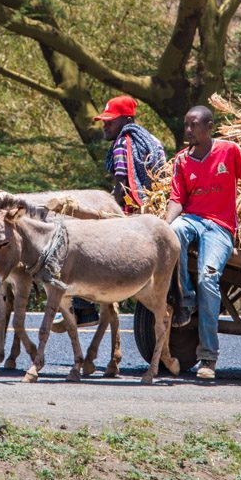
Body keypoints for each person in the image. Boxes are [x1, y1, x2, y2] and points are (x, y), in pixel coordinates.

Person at [166, 105, 241, 380]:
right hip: (192, 219)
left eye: (194, 125)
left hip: (220, 227)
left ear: (209, 127)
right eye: (186, 125)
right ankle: (186, 300)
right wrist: (164, 225)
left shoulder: (229, 151)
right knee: (174, 232)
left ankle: (208, 357)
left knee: (208, 279)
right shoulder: (181, 160)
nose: (188, 130)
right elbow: (177, 200)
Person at [53, 95, 167, 332]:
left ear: (126, 120)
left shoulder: (122, 144)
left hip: (130, 212)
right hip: (154, 208)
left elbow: (122, 187)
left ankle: (83, 308)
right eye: (104, 121)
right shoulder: (152, 140)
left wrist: (102, 212)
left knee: (81, 242)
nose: (105, 125)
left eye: (110, 121)